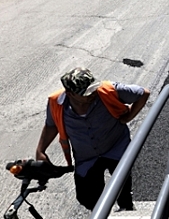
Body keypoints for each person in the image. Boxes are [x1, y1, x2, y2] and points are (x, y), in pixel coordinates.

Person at [35, 67, 150, 211]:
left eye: (93, 89)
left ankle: (126, 207)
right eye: (87, 93)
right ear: (71, 94)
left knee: (122, 187)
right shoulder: (56, 103)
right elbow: (51, 126)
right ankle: (101, 213)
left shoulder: (108, 90)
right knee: (86, 198)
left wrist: (128, 117)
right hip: (87, 158)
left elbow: (143, 93)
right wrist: (41, 150)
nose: (93, 94)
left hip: (116, 147)